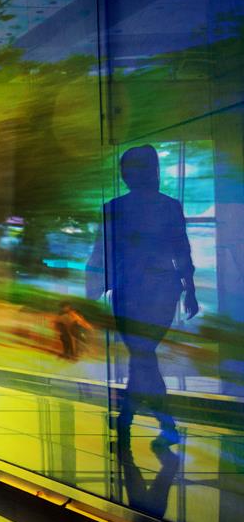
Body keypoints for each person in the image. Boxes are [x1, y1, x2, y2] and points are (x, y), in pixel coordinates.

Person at [86, 145, 197, 452]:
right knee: (143, 355)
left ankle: (131, 421)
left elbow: (100, 253)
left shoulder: (115, 208)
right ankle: (161, 425)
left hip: (130, 293)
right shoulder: (169, 207)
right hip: (161, 293)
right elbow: (182, 251)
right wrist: (190, 289)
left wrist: (90, 293)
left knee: (142, 355)